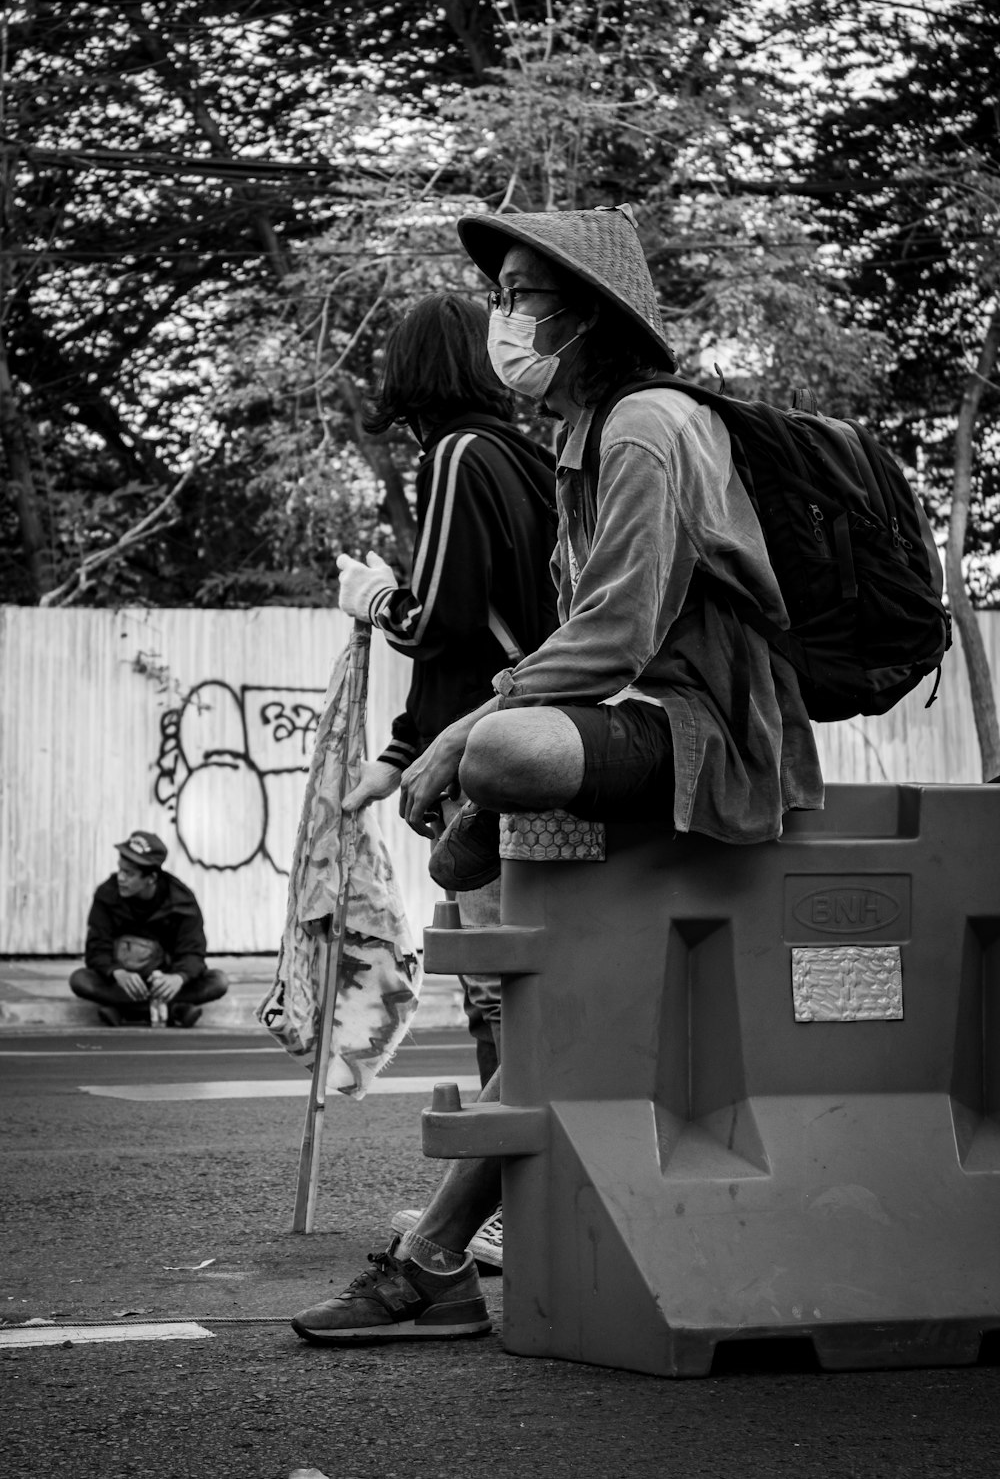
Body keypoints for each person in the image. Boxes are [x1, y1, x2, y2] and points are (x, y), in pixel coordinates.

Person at [291, 203, 824, 1347]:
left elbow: (611, 638)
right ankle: (434, 1260)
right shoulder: (573, 445)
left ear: (586, 319)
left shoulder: (642, 428)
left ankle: (433, 1260)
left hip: (703, 734)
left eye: (526, 296)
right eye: (503, 296)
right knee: (561, 1027)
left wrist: (449, 745)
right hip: (627, 733)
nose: (505, 317)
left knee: (502, 753)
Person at [334, 293, 560, 1265]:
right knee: (509, 995)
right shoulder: (525, 456)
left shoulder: (461, 457)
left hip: (489, 768)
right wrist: (397, 748)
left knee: (503, 1000)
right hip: (513, 741)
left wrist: (374, 593)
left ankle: (508, 1208)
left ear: (410, 373)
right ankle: (505, 1202)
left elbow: (442, 624)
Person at [69, 830, 228, 1028]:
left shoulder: (181, 901)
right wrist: (116, 972)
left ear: (151, 878)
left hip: (165, 981)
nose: (121, 878)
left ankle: (125, 1010)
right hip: (123, 983)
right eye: (120, 870)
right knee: (80, 980)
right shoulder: (107, 894)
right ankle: (175, 1010)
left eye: (129, 873)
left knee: (218, 981)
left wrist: (179, 977)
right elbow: (96, 949)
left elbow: (193, 952)